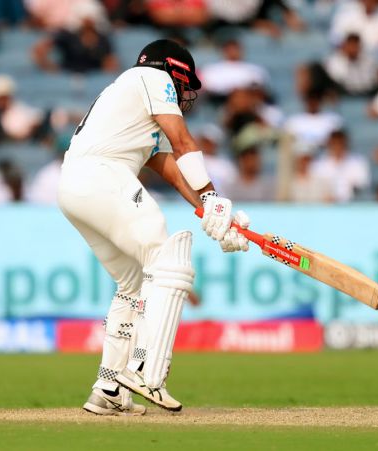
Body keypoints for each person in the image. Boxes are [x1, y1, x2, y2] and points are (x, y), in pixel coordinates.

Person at [57, 39, 250, 416]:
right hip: (102, 177)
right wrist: (211, 197)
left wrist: (217, 215)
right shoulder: (151, 77)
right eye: (185, 83)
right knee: (168, 261)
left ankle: (109, 386)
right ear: (174, 71)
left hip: (75, 186)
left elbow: (173, 172)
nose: (185, 93)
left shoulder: (134, 100)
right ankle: (145, 370)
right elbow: (183, 142)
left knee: (132, 283)